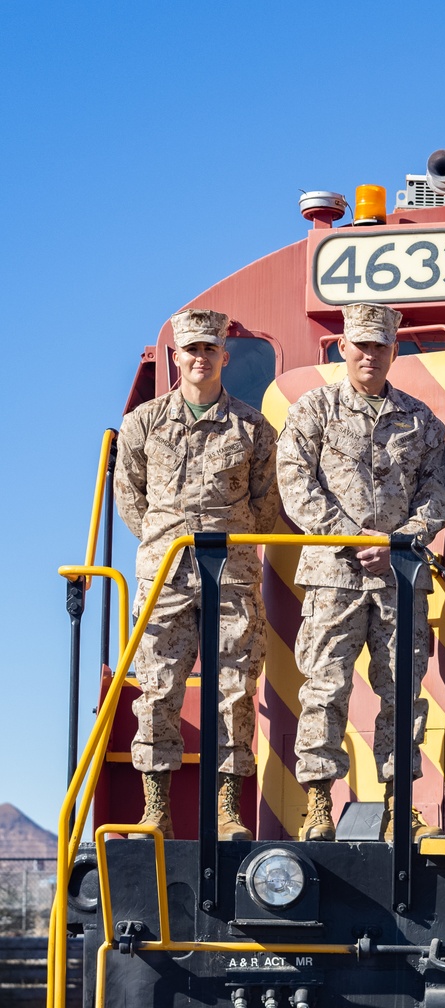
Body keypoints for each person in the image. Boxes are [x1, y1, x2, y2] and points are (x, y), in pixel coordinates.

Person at [276, 302, 445, 842]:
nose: (370, 355)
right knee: (323, 689)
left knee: (402, 694)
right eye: (361, 345)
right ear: (343, 348)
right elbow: (294, 482)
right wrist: (352, 539)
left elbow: (436, 494)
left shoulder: (421, 420)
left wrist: (397, 542)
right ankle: (317, 807)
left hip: (400, 577)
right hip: (333, 576)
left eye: (380, 346)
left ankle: (402, 808)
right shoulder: (314, 411)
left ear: (393, 351)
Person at [115, 308, 279, 840]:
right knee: (158, 688)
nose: (201, 358)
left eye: (210, 349)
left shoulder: (252, 427)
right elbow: (130, 498)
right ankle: (155, 808)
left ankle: (229, 810)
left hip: (231, 577)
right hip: (165, 575)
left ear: (223, 357)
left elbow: (267, 502)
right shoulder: (143, 424)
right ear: (177, 358)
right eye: (192, 350)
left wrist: (230, 540)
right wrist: (165, 541)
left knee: (234, 691)